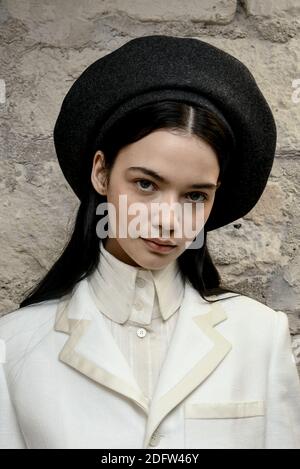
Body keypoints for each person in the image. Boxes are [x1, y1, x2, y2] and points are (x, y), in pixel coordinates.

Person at [0, 35, 300, 449]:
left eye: (195, 195)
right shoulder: (13, 345)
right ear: (102, 173)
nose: (168, 221)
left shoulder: (259, 335)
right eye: (145, 184)